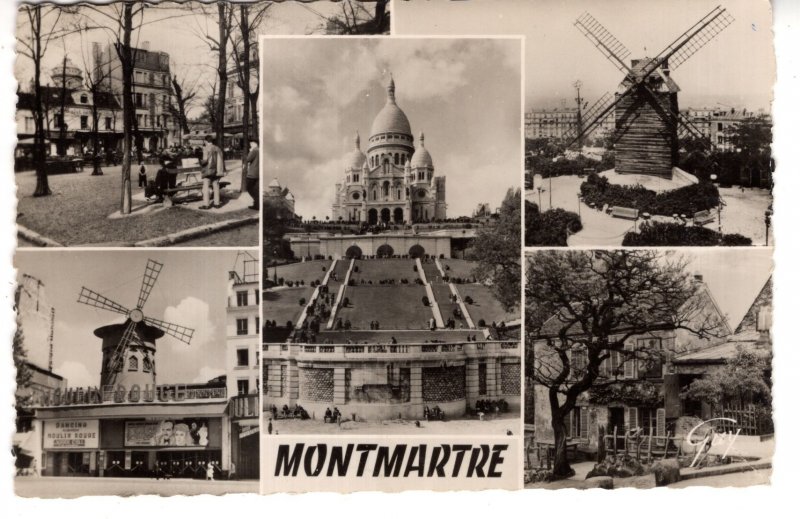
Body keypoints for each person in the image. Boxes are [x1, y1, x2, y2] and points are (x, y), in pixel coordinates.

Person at [199, 134, 223, 209]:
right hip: (217, 170)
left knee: (206, 187)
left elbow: (205, 160)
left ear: (206, 141)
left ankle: (206, 204)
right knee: (216, 187)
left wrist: (200, 161)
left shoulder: (206, 148)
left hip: (208, 170)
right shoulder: (217, 148)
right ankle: (217, 203)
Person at [245, 137, 259, 210]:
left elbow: (248, 159)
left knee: (249, 188)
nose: (250, 144)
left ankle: (257, 202)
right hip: (257, 173)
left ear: (254, 143)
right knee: (255, 189)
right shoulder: (259, 150)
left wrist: (250, 151)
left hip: (252, 173)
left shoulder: (254, 150)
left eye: (251, 143)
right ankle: (256, 204)